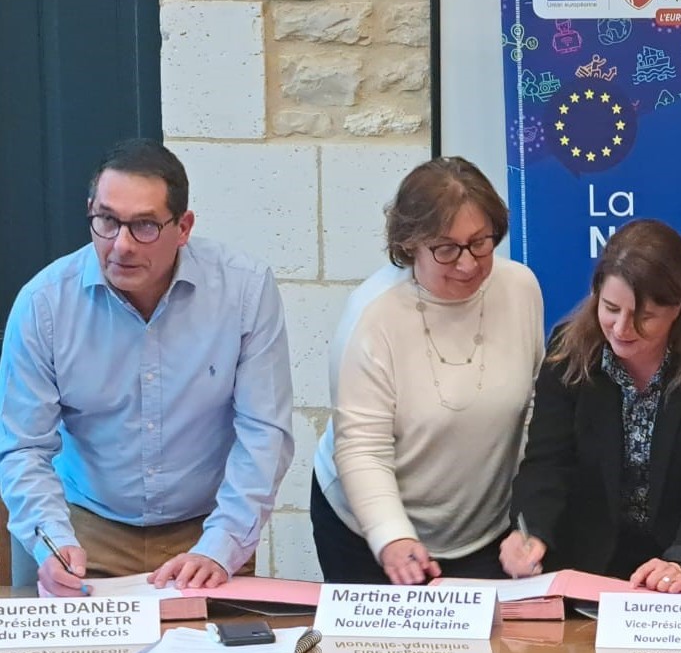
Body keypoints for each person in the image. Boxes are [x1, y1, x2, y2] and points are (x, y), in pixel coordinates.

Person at [0, 138, 293, 592]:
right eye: (107, 220)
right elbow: (23, 447)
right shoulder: (44, 303)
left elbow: (264, 432)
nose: (122, 245)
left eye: (145, 226)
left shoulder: (245, 291)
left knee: (218, 643)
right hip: (83, 528)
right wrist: (52, 542)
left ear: (184, 226)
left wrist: (223, 544)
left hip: (204, 533)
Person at [501, 218, 681, 592]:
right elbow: (548, 461)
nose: (621, 328)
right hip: (598, 562)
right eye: (611, 308)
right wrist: (531, 531)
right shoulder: (569, 351)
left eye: (644, 316)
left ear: (677, 306)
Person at [311, 156, 544, 585]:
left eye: (480, 243)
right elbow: (362, 447)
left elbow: (534, 414)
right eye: (446, 249)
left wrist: (529, 518)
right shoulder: (373, 316)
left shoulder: (520, 289)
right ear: (410, 244)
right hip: (368, 530)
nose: (468, 264)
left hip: (484, 530)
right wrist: (391, 536)